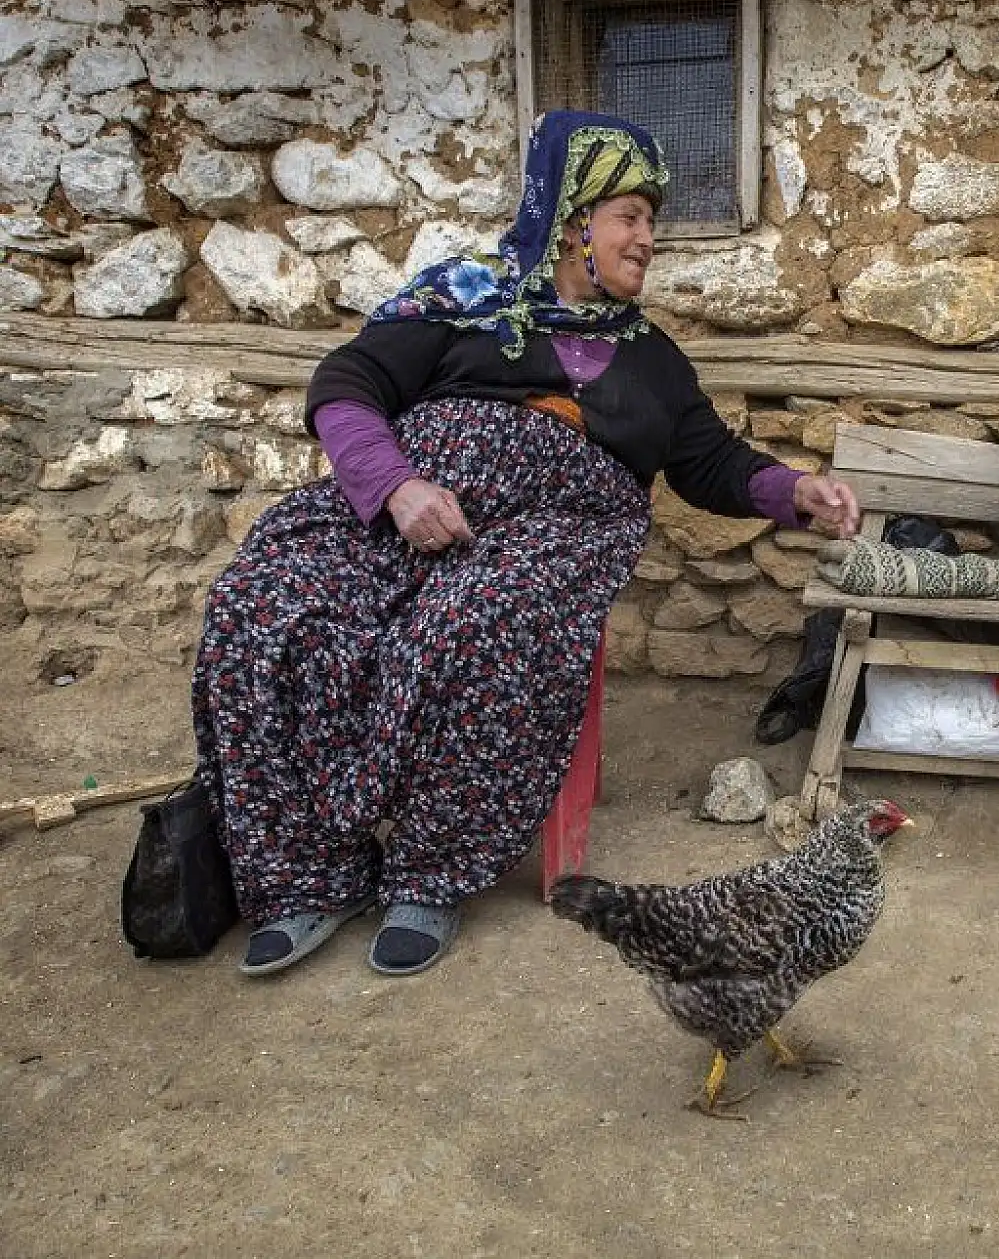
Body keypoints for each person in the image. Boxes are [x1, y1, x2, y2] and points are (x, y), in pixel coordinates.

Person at [193, 109, 860, 978]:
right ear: (573, 218)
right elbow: (347, 384)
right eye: (630, 216)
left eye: (651, 221)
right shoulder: (465, 300)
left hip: (557, 528)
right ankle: (307, 873)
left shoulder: (652, 358)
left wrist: (796, 492)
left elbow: (711, 464)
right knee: (261, 604)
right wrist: (395, 486)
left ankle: (430, 874)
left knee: (472, 624)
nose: (647, 238)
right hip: (406, 506)